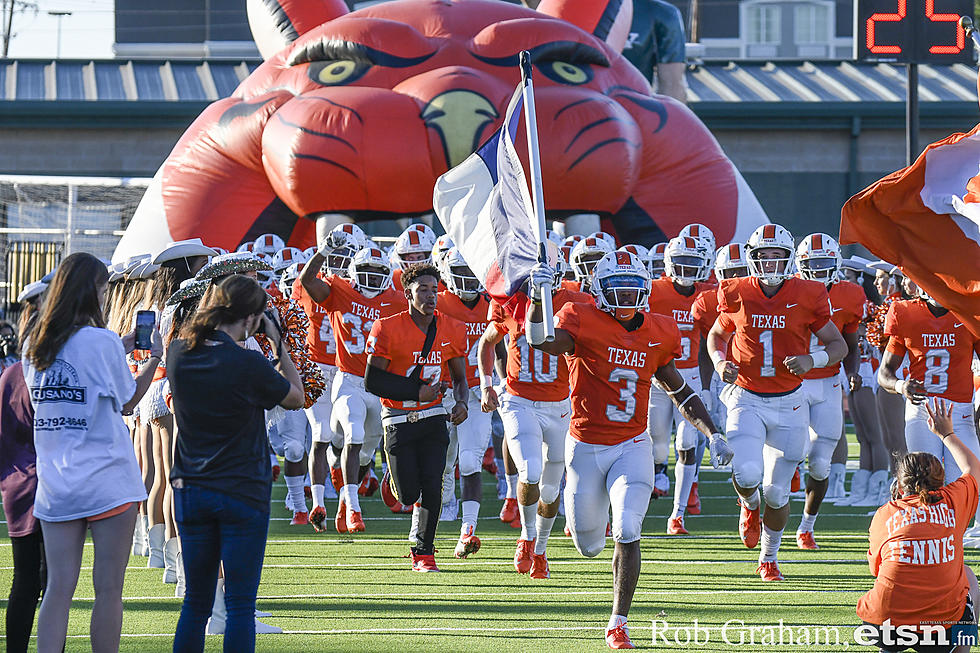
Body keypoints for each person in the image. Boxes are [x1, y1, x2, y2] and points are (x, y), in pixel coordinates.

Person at [526, 250, 732, 649]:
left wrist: (712, 432)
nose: (625, 296)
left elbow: (679, 389)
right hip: (585, 445)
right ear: (599, 292)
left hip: (632, 445)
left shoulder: (659, 330)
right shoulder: (581, 318)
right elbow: (541, 341)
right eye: (615, 289)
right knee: (589, 546)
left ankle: (618, 622)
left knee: (627, 528)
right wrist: (537, 299)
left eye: (632, 288)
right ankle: (583, 528)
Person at [21, 252, 160, 653]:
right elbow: (128, 400)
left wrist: (119, 345)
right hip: (108, 480)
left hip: (57, 482)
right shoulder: (100, 342)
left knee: (58, 590)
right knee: (108, 591)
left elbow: (75, 371)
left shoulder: (36, 343)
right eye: (102, 290)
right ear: (90, 292)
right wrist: (153, 359)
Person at [167, 274, 304, 651]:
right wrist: (279, 344)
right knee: (241, 605)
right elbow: (296, 397)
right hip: (242, 488)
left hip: (191, 487)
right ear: (248, 318)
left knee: (195, 603)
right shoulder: (247, 363)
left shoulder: (177, 353)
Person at [706, 224, 847, 581]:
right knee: (748, 473)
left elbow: (838, 345)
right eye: (763, 257)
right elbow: (716, 335)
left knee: (778, 490)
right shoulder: (735, 290)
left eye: (777, 256)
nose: (770, 264)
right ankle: (748, 505)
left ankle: (769, 557)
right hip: (746, 397)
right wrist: (721, 360)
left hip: (790, 402)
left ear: (788, 258)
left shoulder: (810, 292)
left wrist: (812, 361)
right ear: (752, 260)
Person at [478, 254, 590, 579]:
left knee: (553, 489)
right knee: (530, 470)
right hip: (519, 401)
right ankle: (526, 537)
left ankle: (540, 550)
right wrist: (488, 386)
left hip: (560, 406)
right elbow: (486, 344)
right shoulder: (511, 304)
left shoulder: (577, 304)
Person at [364, 262, 469, 572]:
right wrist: (415, 391)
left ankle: (424, 552)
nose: (430, 296)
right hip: (397, 417)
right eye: (422, 289)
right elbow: (373, 381)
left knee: (432, 484)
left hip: (435, 415)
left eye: (434, 290)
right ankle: (394, 481)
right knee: (409, 494)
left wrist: (462, 402)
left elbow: (460, 376)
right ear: (407, 293)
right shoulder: (387, 327)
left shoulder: (450, 326)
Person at [298, 242, 407, 533]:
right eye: (366, 271)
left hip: (380, 386)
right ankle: (354, 508)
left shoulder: (397, 301)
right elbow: (307, 281)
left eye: (377, 272)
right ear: (353, 273)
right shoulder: (340, 291)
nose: (371, 277)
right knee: (354, 432)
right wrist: (322, 251)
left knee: (366, 453)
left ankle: (347, 499)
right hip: (348, 381)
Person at [857, 399, 980, 652]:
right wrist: (947, 434)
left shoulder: (885, 513)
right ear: (942, 480)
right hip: (940, 630)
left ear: (900, 486)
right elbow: (973, 468)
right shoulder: (953, 500)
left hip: (885, 625)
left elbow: (876, 569)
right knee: (968, 577)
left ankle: (888, 648)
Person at [792, 233, 865, 549]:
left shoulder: (850, 295)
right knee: (788, 454)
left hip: (829, 381)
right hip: (790, 382)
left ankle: (807, 526)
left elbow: (850, 343)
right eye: (813, 263)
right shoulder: (788, 289)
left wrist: (853, 372)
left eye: (825, 263)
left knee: (821, 462)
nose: (819, 270)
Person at [878, 288, 980, 493]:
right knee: (923, 483)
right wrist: (901, 386)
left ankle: (960, 526)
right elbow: (884, 373)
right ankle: (916, 516)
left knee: (966, 483)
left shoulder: (969, 312)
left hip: (960, 412)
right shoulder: (906, 312)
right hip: (921, 409)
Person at [645, 236, 713, 534]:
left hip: (690, 377)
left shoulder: (707, 295)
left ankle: (678, 514)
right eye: (681, 261)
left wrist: (707, 385)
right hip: (657, 376)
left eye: (693, 262)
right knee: (657, 442)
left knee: (687, 442)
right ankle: (659, 476)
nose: (686, 268)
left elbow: (710, 344)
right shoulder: (653, 290)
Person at [0, 321, 40, 653]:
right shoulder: (48, 374)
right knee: (50, 583)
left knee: (24, 581)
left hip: (16, 487)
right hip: (48, 484)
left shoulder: (11, 374)